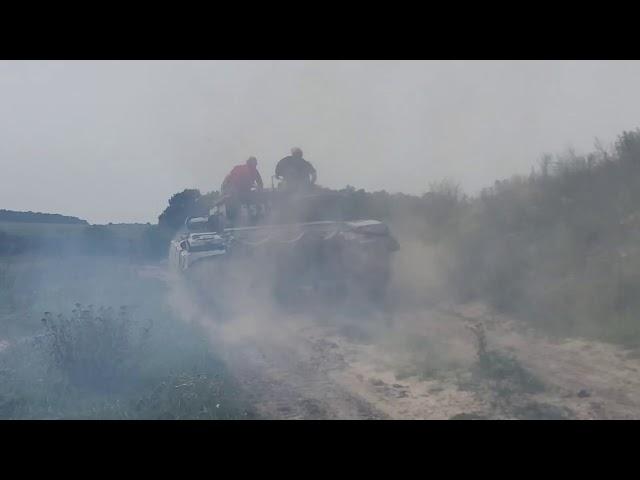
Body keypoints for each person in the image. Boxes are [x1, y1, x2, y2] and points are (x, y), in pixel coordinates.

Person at [221, 157, 264, 221]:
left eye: (255, 164)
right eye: (253, 164)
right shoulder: (241, 169)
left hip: (244, 191)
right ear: (248, 163)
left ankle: (254, 216)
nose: (254, 166)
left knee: (252, 200)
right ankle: (236, 218)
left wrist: (260, 190)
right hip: (234, 190)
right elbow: (232, 181)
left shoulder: (255, 171)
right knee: (237, 201)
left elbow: (260, 182)